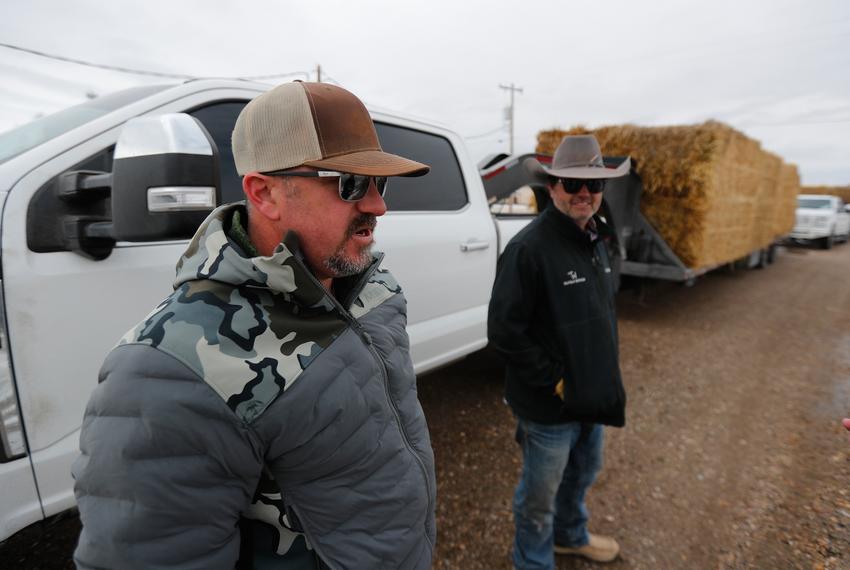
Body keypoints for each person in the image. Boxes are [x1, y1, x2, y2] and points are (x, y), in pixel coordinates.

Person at [72, 82, 436, 569]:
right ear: (264, 193)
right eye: (349, 183)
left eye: (379, 183)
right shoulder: (171, 371)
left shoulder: (370, 288)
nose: (376, 205)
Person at [487, 134, 630, 569]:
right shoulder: (528, 248)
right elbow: (504, 331)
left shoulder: (598, 239)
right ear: (552, 188)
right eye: (571, 183)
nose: (584, 193)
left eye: (594, 185)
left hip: (592, 396)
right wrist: (556, 379)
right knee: (539, 496)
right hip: (550, 404)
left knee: (582, 475)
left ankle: (570, 537)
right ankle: (532, 561)